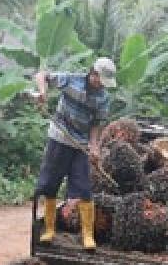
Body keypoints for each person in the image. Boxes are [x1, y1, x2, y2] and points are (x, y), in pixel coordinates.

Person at [34, 57, 116, 250]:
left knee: (84, 188)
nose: (100, 84)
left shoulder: (103, 98)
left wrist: (94, 147)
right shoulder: (71, 80)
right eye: (99, 79)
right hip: (59, 138)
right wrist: (43, 93)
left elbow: (96, 124)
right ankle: (49, 230)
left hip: (80, 145)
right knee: (49, 185)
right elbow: (41, 75)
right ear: (93, 72)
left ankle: (87, 235)